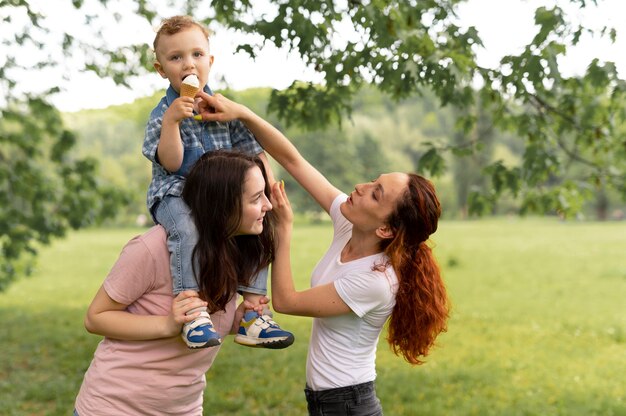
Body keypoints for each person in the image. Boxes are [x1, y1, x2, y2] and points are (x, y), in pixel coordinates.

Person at [195, 93, 451, 415]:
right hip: (331, 401)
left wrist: (284, 228)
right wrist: (242, 113)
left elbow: (286, 302)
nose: (361, 187)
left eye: (376, 194)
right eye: (374, 181)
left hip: (347, 404)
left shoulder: (376, 281)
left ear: (385, 230)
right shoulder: (351, 223)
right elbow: (293, 161)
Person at [75, 151, 279, 415]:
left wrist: (235, 321)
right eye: (256, 198)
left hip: (185, 408)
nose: (268, 205)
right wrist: (167, 324)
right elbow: (96, 317)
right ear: (222, 204)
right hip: (114, 407)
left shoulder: (231, 250)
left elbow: (204, 325)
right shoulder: (152, 248)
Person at [142, 15, 292, 349]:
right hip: (176, 195)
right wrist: (172, 123)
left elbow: (255, 153)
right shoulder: (162, 114)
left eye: (196, 55)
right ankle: (192, 311)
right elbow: (172, 162)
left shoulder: (224, 108)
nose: (188, 64)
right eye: (175, 57)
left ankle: (253, 313)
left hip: (223, 197)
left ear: (210, 61)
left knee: (258, 223)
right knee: (187, 229)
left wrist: (266, 191)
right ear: (160, 68)